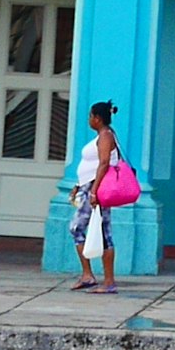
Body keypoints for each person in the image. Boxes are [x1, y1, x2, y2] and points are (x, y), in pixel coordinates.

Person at [67, 101, 124, 295]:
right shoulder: (101, 136)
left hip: (96, 189)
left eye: (90, 116)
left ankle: (104, 280)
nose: (89, 120)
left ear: (97, 118)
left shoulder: (106, 136)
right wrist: (78, 185)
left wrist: (94, 191)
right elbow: (91, 166)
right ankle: (89, 275)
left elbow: (104, 163)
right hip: (89, 186)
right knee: (99, 230)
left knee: (80, 228)